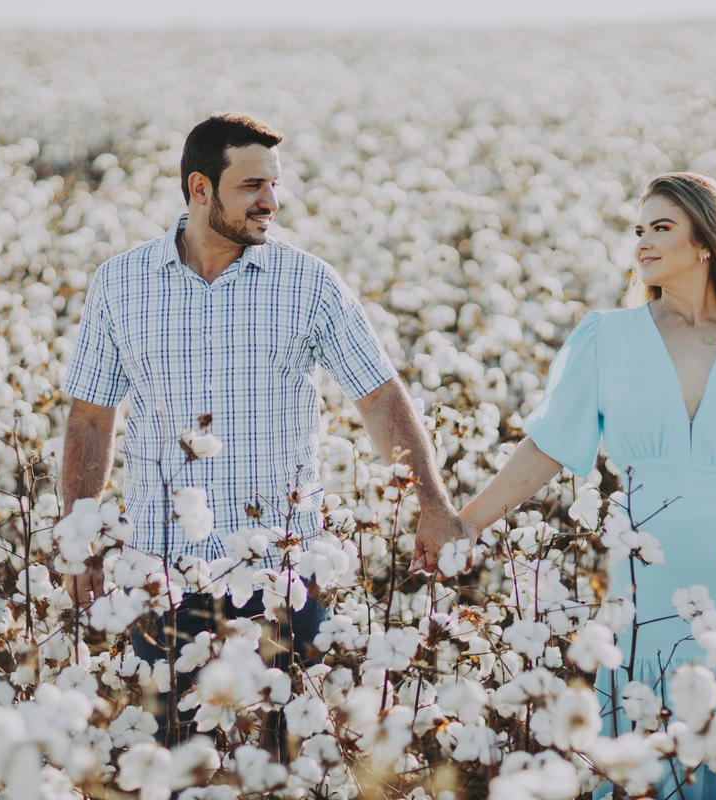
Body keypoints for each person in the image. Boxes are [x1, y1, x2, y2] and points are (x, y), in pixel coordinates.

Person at [58, 112, 464, 746]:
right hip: (163, 575)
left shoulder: (308, 282)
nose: (271, 202)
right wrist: (78, 536)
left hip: (283, 574)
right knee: (166, 763)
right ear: (200, 189)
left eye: (274, 185)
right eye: (252, 186)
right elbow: (90, 418)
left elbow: (381, 398)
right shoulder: (121, 284)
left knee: (289, 762)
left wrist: (432, 504)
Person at [452, 172, 716, 798]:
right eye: (639, 230)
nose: (644, 243)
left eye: (662, 228)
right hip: (643, 572)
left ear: (706, 242)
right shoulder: (608, 336)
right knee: (643, 741)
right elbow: (549, 447)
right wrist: (467, 522)